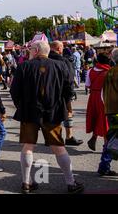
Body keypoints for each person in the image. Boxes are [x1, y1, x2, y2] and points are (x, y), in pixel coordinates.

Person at [11, 41, 84, 194]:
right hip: (53, 112)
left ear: (36, 50)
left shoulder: (24, 66)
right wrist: (60, 104)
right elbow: (69, 89)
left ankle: (26, 183)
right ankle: (70, 182)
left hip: (29, 112)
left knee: (28, 146)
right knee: (58, 147)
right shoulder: (60, 65)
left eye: (31, 49)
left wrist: (21, 106)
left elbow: (14, 90)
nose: (30, 51)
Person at [49, 41, 83, 146]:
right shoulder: (64, 61)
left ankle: (51, 137)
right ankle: (69, 136)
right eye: (62, 47)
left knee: (50, 115)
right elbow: (69, 80)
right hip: (62, 93)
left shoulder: (44, 60)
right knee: (68, 114)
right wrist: (70, 95)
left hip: (47, 93)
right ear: (59, 48)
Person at [98, 48, 118, 176]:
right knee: (112, 139)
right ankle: (104, 166)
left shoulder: (110, 71)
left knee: (111, 138)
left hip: (110, 110)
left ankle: (104, 166)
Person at [85, 53, 111, 152]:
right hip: (104, 97)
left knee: (95, 117)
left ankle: (94, 138)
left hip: (93, 97)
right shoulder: (109, 71)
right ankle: (106, 145)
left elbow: (87, 85)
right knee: (104, 121)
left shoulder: (90, 70)